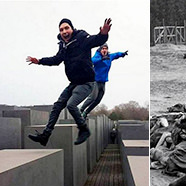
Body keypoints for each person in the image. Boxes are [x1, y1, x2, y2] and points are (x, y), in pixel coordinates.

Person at [26, 18, 111, 146]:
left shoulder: (81, 37)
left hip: (87, 82)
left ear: (72, 28)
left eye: (66, 28)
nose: (64, 31)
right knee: (57, 106)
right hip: (73, 83)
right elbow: (56, 60)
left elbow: (96, 40)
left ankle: (84, 130)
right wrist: (39, 61)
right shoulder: (63, 46)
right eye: (61, 30)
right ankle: (45, 135)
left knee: (71, 105)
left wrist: (103, 34)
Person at [80, 43, 128, 119]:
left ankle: (86, 112)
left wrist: (122, 54)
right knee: (93, 97)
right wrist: (101, 59)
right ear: (100, 50)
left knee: (98, 100)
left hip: (103, 82)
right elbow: (92, 61)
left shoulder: (109, 57)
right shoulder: (97, 56)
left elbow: (116, 55)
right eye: (103, 49)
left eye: (106, 48)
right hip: (95, 81)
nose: (104, 50)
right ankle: (81, 110)